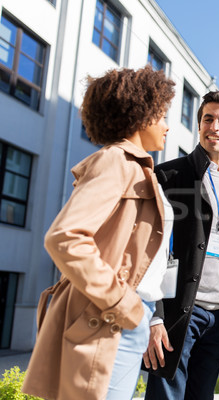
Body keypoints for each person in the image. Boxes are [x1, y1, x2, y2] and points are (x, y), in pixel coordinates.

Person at [21, 66, 175, 400]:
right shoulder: (116, 161)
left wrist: (143, 313)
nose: (166, 125)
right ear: (141, 113)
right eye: (162, 114)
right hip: (110, 318)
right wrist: (123, 302)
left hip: (128, 316)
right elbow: (65, 237)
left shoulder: (136, 166)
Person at [143, 91, 219, 400]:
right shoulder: (169, 176)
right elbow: (148, 250)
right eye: (208, 119)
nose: (215, 127)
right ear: (199, 126)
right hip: (178, 311)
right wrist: (154, 316)